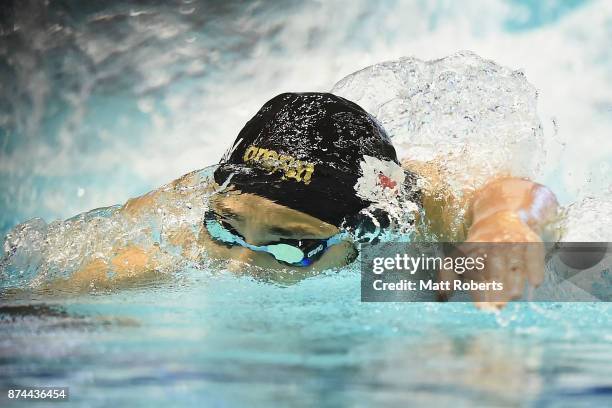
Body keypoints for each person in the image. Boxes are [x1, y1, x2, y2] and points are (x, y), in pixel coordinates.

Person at [11, 93, 560, 307]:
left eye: (289, 245)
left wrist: (503, 229)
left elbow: (514, 194)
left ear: (366, 235)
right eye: (225, 233)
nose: (238, 265)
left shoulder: (415, 216)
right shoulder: (199, 214)